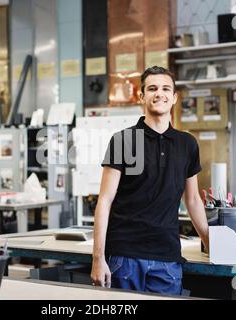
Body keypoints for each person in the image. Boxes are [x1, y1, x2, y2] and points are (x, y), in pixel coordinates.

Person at [90, 66, 209, 295]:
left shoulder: (187, 144)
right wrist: (98, 257)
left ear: (174, 97)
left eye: (166, 89)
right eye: (152, 88)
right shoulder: (124, 140)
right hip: (124, 255)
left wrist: (209, 241)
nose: (159, 94)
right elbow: (104, 201)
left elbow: (193, 199)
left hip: (167, 256)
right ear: (142, 96)